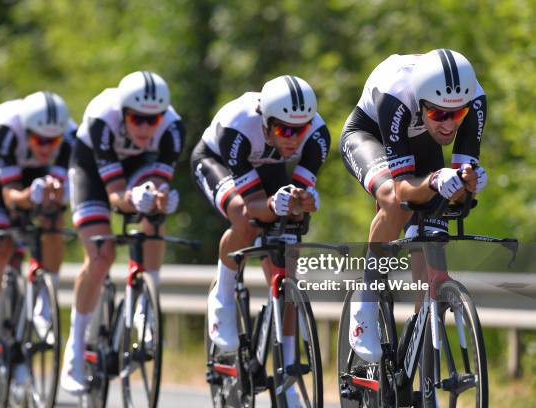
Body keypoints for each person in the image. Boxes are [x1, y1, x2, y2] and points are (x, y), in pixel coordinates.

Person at [339, 49, 488, 364]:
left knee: (433, 237)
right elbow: (403, 189)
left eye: (457, 115)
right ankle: (366, 300)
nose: (449, 126)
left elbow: (462, 198)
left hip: (422, 143)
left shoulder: (474, 101)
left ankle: (422, 360)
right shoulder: (396, 94)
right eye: (439, 114)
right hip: (371, 136)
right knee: (396, 203)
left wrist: (468, 182)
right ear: (421, 103)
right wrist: (435, 181)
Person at [191, 75, 330, 406]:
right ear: (266, 124)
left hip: (267, 165)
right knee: (245, 218)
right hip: (218, 160)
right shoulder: (238, 127)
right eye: (284, 131)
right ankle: (223, 297)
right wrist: (272, 205)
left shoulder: (317, 136)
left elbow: (297, 201)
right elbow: (256, 207)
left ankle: (288, 376)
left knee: (288, 257)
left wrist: (304, 202)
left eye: (301, 129)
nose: (294, 139)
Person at [60, 71, 185, 394]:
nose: (146, 127)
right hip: (92, 168)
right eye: (137, 119)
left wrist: (158, 198)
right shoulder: (103, 118)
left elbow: (158, 183)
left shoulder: (172, 129)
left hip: (139, 165)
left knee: (155, 214)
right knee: (101, 256)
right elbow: (115, 196)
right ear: (123, 113)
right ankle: (73, 350)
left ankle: (147, 304)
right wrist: (133, 199)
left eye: (152, 119)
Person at [0, 91, 73, 387]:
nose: (47, 146)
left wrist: (52, 196)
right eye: (40, 140)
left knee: (54, 222)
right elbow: (9, 194)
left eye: (53, 141)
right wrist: (29, 197)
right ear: (27, 132)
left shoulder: (69, 137)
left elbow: (66, 188)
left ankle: (42, 300)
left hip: (36, 175)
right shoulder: (7, 130)